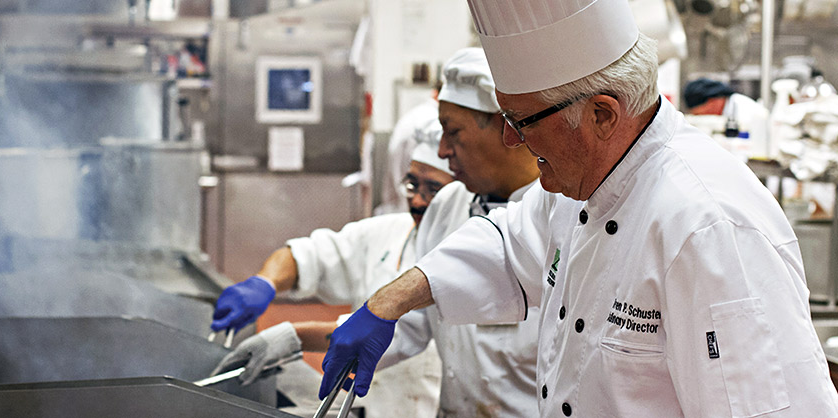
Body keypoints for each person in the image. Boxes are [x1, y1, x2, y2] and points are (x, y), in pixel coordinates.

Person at [318, 0, 838, 417]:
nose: (512, 140)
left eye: (521, 121)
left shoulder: (708, 225)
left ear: (602, 115)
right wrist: (387, 302)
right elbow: (506, 246)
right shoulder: (577, 187)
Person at [210, 116, 452, 418]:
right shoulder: (387, 232)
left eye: (433, 190)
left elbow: (401, 333)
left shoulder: (471, 259)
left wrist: (292, 337)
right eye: (412, 184)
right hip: (359, 408)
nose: (416, 200)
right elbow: (308, 255)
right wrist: (265, 282)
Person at [377, 47, 543, 417]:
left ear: (508, 130)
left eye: (452, 132)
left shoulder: (564, 218)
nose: (442, 150)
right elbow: (414, 322)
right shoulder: (449, 205)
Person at [684, 78, 770, 158]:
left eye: (699, 114)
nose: (702, 117)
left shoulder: (746, 110)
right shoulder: (727, 110)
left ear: (712, 101)